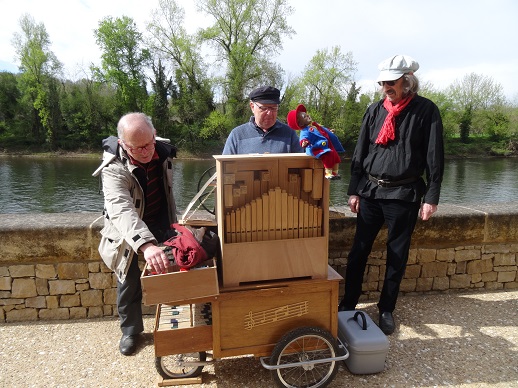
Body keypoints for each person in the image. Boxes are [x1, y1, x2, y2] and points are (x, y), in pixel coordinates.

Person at [337, 55, 444, 335]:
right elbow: (360, 153)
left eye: (391, 82)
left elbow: (435, 157)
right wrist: (353, 190)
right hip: (371, 191)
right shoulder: (374, 111)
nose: (386, 88)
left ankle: (386, 309)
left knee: (397, 256)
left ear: (407, 81)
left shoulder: (426, 111)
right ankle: (349, 303)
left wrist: (431, 197)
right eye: (383, 82)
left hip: (404, 194)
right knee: (358, 252)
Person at [92, 112, 178, 355]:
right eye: (137, 148)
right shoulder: (112, 168)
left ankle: (178, 324)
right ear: (123, 144)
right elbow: (120, 209)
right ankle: (131, 331)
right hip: (125, 231)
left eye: (149, 143)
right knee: (128, 281)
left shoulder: (163, 152)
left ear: (154, 135)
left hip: (160, 221)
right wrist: (146, 245)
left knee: (178, 268)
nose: (146, 151)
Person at [222, 86, 304, 154]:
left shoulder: (289, 134)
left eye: (273, 108)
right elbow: (225, 169)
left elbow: (302, 165)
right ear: (252, 107)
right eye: (264, 108)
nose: (269, 113)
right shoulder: (237, 135)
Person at [286, 103, 345, 180]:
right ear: (300, 123)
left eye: (306, 114)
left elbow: (322, 130)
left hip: (326, 146)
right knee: (328, 156)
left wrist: (329, 131)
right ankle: (328, 173)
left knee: (336, 157)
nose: (308, 116)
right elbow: (303, 138)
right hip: (316, 148)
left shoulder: (314, 125)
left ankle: (335, 172)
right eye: (304, 116)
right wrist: (304, 142)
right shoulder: (305, 130)